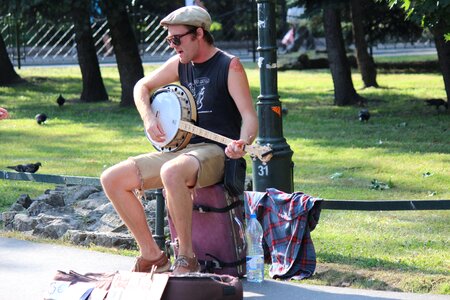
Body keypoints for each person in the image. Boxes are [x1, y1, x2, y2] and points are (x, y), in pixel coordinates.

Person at [100, 6, 258, 275]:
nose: (172, 46)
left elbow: (248, 114)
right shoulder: (180, 64)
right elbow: (142, 86)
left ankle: (186, 257)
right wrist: (149, 117)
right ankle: (153, 256)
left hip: (215, 152)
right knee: (112, 179)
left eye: (177, 39)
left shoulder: (228, 65)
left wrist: (242, 142)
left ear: (198, 33)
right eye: (168, 40)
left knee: (171, 171)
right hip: (180, 151)